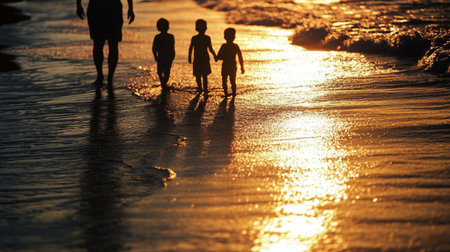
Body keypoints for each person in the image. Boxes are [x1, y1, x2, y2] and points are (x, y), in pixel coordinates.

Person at [76, 0, 135, 89]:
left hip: (104, 10)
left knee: (105, 45)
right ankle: (102, 76)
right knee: (104, 45)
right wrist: (130, 7)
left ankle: (106, 77)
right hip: (104, 10)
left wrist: (78, 5)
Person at [188, 19, 216, 94]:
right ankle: (204, 89)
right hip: (204, 59)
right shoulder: (206, 38)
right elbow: (210, 49)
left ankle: (200, 88)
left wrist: (189, 57)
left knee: (198, 75)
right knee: (204, 75)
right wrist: (215, 56)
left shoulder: (195, 38)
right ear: (206, 28)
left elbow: (191, 48)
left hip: (198, 59)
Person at [216, 27, 244, 97]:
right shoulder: (235, 46)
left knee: (224, 80)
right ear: (234, 37)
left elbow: (219, 57)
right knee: (233, 81)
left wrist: (216, 58)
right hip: (233, 66)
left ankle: (226, 93)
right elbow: (240, 57)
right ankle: (233, 93)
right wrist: (242, 67)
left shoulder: (224, 46)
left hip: (225, 66)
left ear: (224, 37)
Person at [152, 18, 175, 92]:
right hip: (162, 57)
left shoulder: (170, 36)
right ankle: (163, 83)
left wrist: (172, 55)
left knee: (165, 72)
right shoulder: (158, 37)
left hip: (166, 57)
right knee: (161, 72)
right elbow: (154, 48)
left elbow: (172, 47)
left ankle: (163, 84)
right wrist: (155, 56)